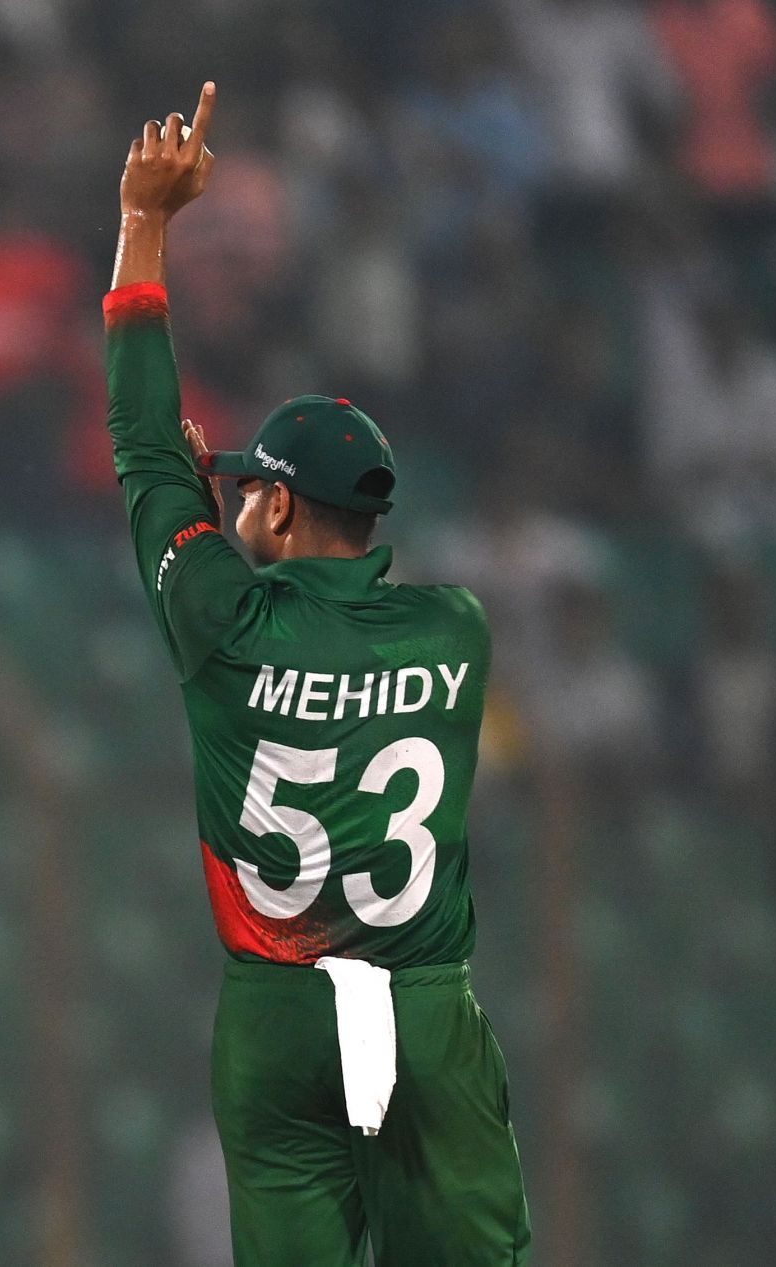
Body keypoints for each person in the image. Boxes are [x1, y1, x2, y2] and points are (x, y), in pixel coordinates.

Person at [104, 84, 530, 1266]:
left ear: (280, 501)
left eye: (252, 484)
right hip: (422, 1000)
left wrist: (145, 226)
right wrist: (210, 509)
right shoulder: (457, 631)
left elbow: (141, 441)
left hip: (285, 1008)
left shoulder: (217, 617)